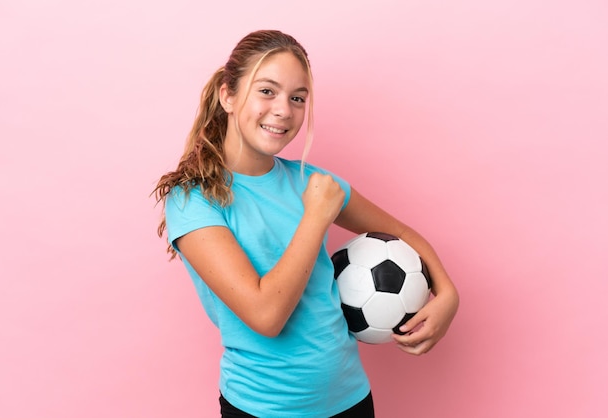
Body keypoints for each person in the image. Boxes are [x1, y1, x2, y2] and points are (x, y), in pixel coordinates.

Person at [153, 29, 459, 418]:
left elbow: (404, 235)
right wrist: (316, 216)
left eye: (297, 98)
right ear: (227, 95)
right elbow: (266, 315)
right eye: (267, 91)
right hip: (264, 410)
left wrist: (448, 293)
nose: (283, 109)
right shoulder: (193, 201)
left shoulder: (311, 182)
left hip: (351, 400)